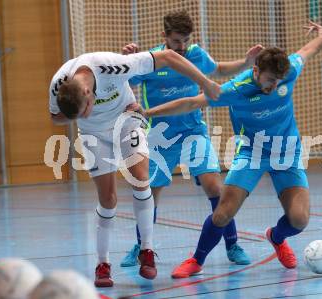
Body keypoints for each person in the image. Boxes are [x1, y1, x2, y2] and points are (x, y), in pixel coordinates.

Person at [145, 20, 322, 278]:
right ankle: (197, 260)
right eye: (268, 80)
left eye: (278, 82)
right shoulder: (235, 89)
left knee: (299, 220)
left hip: (286, 153)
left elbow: (308, 50)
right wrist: (147, 113)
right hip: (252, 153)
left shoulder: (289, 71)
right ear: (256, 71)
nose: (273, 87)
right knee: (221, 215)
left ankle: (276, 237)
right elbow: (190, 103)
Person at [48, 48, 220, 286]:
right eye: (80, 114)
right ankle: (102, 264)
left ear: (88, 91)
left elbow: (168, 56)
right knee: (108, 199)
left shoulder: (112, 66)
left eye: (85, 108)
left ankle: (146, 251)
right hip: (93, 135)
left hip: (126, 121)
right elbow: (55, 116)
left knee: (141, 180)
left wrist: (205, 82)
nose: (85, 114)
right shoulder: (58, 86)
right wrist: (74, 118)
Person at [120, 10, 263, 267]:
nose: (182, 46)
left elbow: (218, 69)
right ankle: (142, 247)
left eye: (186, 40)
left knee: (216, 188)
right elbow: (123, 80)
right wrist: (127, 60)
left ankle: (232, 243)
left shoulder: (195, 54)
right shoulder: (152, 60)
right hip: (160, 137)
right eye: (177, 41)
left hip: (194, 131)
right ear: (164, 37)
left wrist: (245, 62)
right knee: (149, 193)